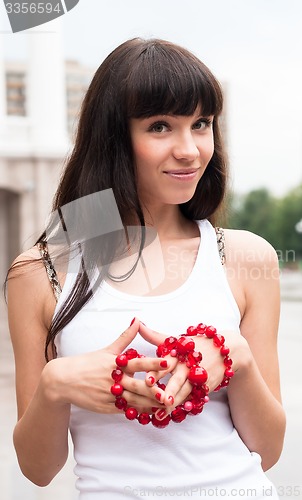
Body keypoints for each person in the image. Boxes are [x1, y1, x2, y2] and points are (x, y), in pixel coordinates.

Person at [6, 38, 285, 499]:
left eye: (201, 124)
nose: (190, 149)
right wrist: (55, 386)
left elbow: (268, 449)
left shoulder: (245, 257)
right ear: (114, 137)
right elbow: (38, 470)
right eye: (160, 126)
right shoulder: (40, 272)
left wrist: (237, 356)